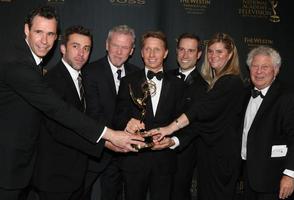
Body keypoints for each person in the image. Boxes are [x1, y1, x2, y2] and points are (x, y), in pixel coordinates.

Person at [0, 5, 144, 200]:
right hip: (14, 167)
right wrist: (108, 138)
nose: (44, 40)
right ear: (26, 30)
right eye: (39, 32)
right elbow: (59, 111)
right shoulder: (19, 65)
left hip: (40, 168)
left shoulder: (70, 73)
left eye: (50, 34)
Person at [145, 33, 245, 200]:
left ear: (230, 55)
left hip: (213, 157)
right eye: (211, 51)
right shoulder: (214, 81)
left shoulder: (224, 83)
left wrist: (171, 132)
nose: (214, 56)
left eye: (219, 52)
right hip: (202, 156)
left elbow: (199, 113)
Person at [32, 25, 102, 200]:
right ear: (63, 48)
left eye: (86, 48)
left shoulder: (83, 77)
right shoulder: (51, 81)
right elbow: (59, 129)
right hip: (55, 178)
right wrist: (104, 141)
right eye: (75, 46)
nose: (81, 53)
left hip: (77, 175)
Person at [113, 31, 185, 200]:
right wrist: (127, 123)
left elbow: (185, 121)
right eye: (147, 49)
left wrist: (173, 141)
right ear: (141, 52)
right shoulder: (127, 81)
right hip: (134, 161)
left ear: (166, 53)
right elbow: (117, 117)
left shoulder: (178, 85)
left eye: (157, 50)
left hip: (164, 162)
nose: (152, 55)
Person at [82, 24, 139, 200]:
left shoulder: (137, 74)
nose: (119, 52)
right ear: (107, 45)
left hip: (125, 156)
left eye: (125, 47)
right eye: (115, 45)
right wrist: (112, 139)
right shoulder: (90, 71)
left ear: (132, 50)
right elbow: (93, 113)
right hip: (96, 150)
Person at [240, 46, 294, 200]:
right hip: (248, 176)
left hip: (275, 181)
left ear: (276, 70)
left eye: (265, 67)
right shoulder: (245, 93)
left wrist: (290, 175)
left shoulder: (288, 97)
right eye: (255, 66)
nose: (259, 71)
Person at [167, 33, 207, 200]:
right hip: (155, 153)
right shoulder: (165, 76)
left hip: (183, 154)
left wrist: (175, 141)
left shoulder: (204, 86)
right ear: (176, 51)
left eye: (190, 51)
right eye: (181, 49)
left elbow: (197, 124)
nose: (185, 55)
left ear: (198, 55)